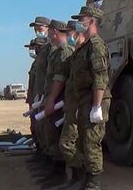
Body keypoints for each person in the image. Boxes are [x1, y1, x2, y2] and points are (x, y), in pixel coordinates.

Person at [60, 6, 111, 190]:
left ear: (92, 21)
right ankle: (83, 178)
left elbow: (100, 78)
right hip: (83, 100)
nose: (80, 22)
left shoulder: (96, 45)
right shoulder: (84, 47)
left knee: (91, 142)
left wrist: (97, 106)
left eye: (83, 19)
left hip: (95, 99)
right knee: (82, 142)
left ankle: (93, 183)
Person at [38, 20, 74, 187]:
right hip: (53, 98)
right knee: (51, 134)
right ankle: (54, 172)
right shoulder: (56, 52)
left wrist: (51, 99)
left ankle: (60, 175)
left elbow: (60, 78)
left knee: (58, 136)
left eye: (50, 31)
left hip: (59, 100)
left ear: (54, 31)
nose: (48, 34)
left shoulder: (64, 51)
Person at [57, 20, 86, 189]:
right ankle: (77, 177)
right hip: (71, 104)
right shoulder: (75, 54)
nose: (68, 37)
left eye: (69, 34)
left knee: (67, 144)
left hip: (80, 105)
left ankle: (84, 175)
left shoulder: (85, 52)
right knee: (71, 144)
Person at [27, 16, 52, 171]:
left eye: (40, 28)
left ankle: (52, 167)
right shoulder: (41, 54)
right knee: (38, 129)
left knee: (47, 131)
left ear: (49, 28)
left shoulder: (51, 49)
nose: (37, 31)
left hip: (45, 95)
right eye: (35, 28)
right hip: (37, 96)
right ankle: (42, 158)